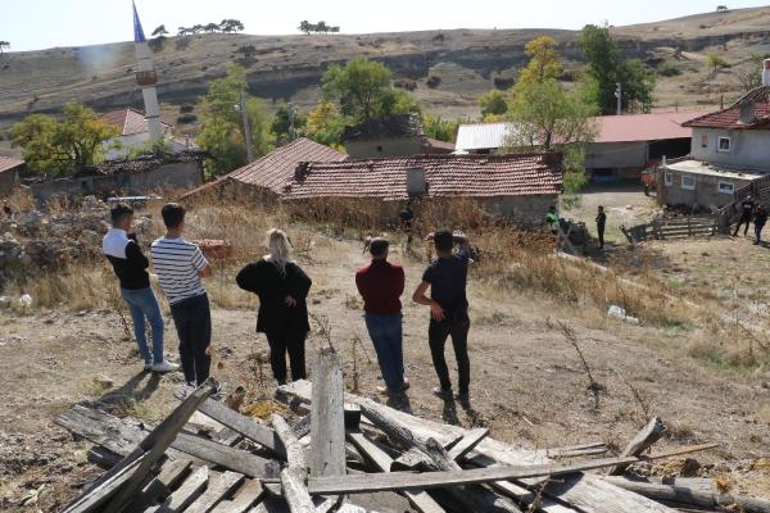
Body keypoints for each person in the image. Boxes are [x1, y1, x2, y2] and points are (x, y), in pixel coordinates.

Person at [102, 205, 178, 373]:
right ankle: (159, 362)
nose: (131, 223)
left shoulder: (106, 239)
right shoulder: (127, 243)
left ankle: (148, 359)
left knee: (138, 324)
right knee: (157, 323)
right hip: (141, 289)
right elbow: (143, 263)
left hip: (125, 288)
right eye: (130, 219)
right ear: (124, 220)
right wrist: (133, 237)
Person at [236, 229, 312, 385]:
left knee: (277, 350)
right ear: (286, 244)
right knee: (296, 352)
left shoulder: (261, 266)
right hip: (294, 317)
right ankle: (299, 384)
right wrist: (295, 296)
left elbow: (241, 278)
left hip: (271, 315)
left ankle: (281, 382)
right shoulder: (291, 266)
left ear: (269, 244)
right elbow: (307, 282)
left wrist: (260, 290)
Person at [151, 203, 213, 390]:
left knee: (185, 343)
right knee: (202, 344)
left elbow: (165, 271)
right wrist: (195, 274)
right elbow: (208, 271)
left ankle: (189, 381)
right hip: (196, 300)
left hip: (175, 302)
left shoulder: (155, 247)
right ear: (181, 222)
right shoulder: (190, 248)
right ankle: (203, 386)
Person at [412, 230, 472, 404]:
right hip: (461, 317)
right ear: (452, 245)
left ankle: (445, 388)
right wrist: (445, 237)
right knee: (461, 354)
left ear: (435, 248)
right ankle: (464, 393)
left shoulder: (433, 268)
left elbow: (417, 297)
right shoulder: (461, 260)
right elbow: (465, 240)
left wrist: (433, 303)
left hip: (440, 318)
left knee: (437, 352)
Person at [355, 238, 408, 396]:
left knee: (383, 351)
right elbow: (399, 291)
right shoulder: (397, 270)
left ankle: (392, 386)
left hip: (373, 315)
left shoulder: (361, 274)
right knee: (396, 348)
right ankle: (399, 381)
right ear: (386, 251)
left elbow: (363, 294)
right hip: (392, 314)